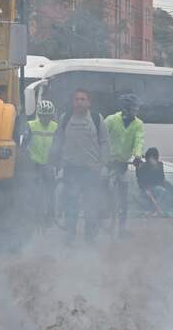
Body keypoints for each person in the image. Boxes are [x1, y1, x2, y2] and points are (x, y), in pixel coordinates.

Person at [48, 88, 110, 243]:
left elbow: (105, 143)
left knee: (91, 207)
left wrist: (101, 164)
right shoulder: (65, 118)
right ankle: (70, 235)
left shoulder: (96, 118)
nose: (80, 102)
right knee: (71, 205)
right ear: (72, 102)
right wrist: (55, 161)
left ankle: (90, 237)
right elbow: (58, 141)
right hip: (71, 170)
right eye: (77, 99)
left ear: (89, 103)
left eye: (83, 99)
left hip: (91, 171)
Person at [104, 94, 145, 235]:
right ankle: (100, 214)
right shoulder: (111, 120)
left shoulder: (138, 124)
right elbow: (101, 137)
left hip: (122, 164)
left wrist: (138, 156)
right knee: (101, 184)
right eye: (134, 107)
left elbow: (139, 141)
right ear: (126, 108)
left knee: (123, 196)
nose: (136, 110)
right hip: (108, 162)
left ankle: (122, 228)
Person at [136, 147, 173, 215]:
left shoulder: (159, 165)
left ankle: (158, 210)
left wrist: (155, 168)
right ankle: (153, 210)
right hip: (146, 189)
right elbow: (140, 180)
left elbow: (161, 179)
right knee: (159, 191)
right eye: (151, 158)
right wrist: (145, 189)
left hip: (156, 188)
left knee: (162, 190)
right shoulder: (143, 166)